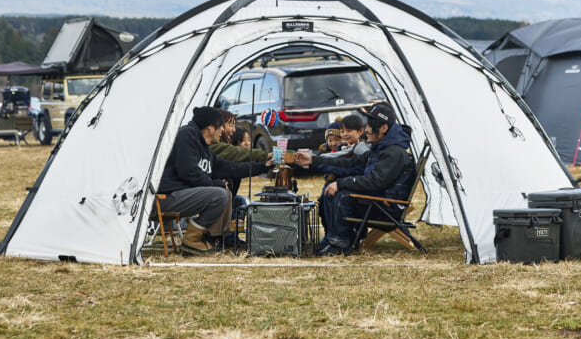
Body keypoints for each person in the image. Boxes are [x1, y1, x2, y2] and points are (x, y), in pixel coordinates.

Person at [295, 102, 414, 256]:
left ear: (384, 128)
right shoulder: (381, 148)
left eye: (371, 125)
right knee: (331, 189)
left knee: (343, 194)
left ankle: (339, 244)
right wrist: (313, 160)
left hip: (386, 209)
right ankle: (337, 239)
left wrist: (342, 183)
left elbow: (375, 181)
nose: (367, 129)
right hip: (376, 201)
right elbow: (350, 164)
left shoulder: (393, 153)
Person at [158, 106, 271, 255]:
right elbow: (188, 172)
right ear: (210, 128)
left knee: (225, 193)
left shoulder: (206, 149)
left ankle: (213, 239)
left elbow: (232, 168)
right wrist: (215, 184)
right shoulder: (187, 135)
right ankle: (192, 242)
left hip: (179, 196)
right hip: (165, 197)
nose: (222, 131)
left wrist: (263, 166)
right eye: (220, 127)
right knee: (219, 194)